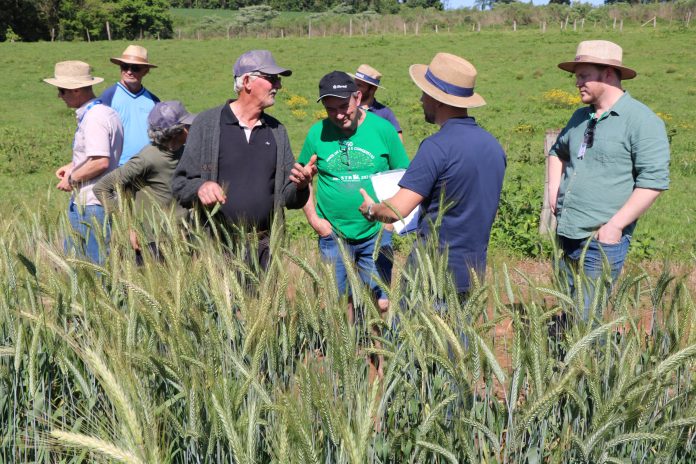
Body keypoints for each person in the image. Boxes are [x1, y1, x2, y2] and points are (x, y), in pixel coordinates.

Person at [357, 53, 506, 298]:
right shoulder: (494, 146)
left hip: (430, 275)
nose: (420, 99)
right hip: (472, 272)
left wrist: (372, 210)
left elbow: (397, 210)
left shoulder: (436, 147)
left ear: (437, 100)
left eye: (424, 93)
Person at [547, 40, 670, 321]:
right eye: (576, 76)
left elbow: (653, 182)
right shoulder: (580, 116)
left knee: (588, 322)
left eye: (584, 75)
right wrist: (554, 192)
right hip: (567, 233)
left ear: (608, 74)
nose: (577, 83)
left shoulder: (642, 121)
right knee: (568, 312)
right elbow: (557, 152)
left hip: (600, 240)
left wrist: (614, 226)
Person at [172, 50, 316, 270]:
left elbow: (288, 198)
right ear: (247, 81)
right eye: (272, 78)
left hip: (265, 249)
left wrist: (301, 185)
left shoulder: (276, 130)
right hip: (218, 248)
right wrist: (200, 187)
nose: (278, 85)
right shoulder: (207, 124)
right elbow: (180, 185)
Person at [299, 71, 410, 320]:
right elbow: (303, 178)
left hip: (376, 234)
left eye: (343, 107)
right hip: (333, 235)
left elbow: (404, 177)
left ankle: (375, 344)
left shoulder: (383, 130)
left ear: (357, 98)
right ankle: (349, 343)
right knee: (339, 302)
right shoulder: (317, 133)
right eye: (330, 109)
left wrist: (389, 224)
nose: (339, 115)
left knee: (380, 302)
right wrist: (315, 221)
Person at [94, 101, 195, 265]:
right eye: (187, 126)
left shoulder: (185, 152)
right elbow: (102, 188)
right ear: (176, 131)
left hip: (182, 237)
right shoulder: (147, 158)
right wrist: (128, 226)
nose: (190, 128)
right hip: (151, 243)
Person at [44, 61, 123, 265]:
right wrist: (73, 165)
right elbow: (97, 155)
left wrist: (72, 178)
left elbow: (100, 162)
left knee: (91, 267)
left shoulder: (94, 118)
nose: (59, 96)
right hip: (96, 201)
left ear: (76, 90)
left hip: (91, 203)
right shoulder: (105, 112)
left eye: (62, 90)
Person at [101, 45, 159, 166]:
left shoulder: (154, 101)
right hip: (119, 167)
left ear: (146, 71)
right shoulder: (108, 97)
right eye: (125, 66)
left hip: (149, 166)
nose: (129, 71)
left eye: (135, 68)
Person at [350, 64, 403, 141]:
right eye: (354, 83)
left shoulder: (385, 113)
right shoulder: (347, 108)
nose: (355, 88)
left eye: (359, 85)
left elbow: (398, 141)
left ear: (373, 89)